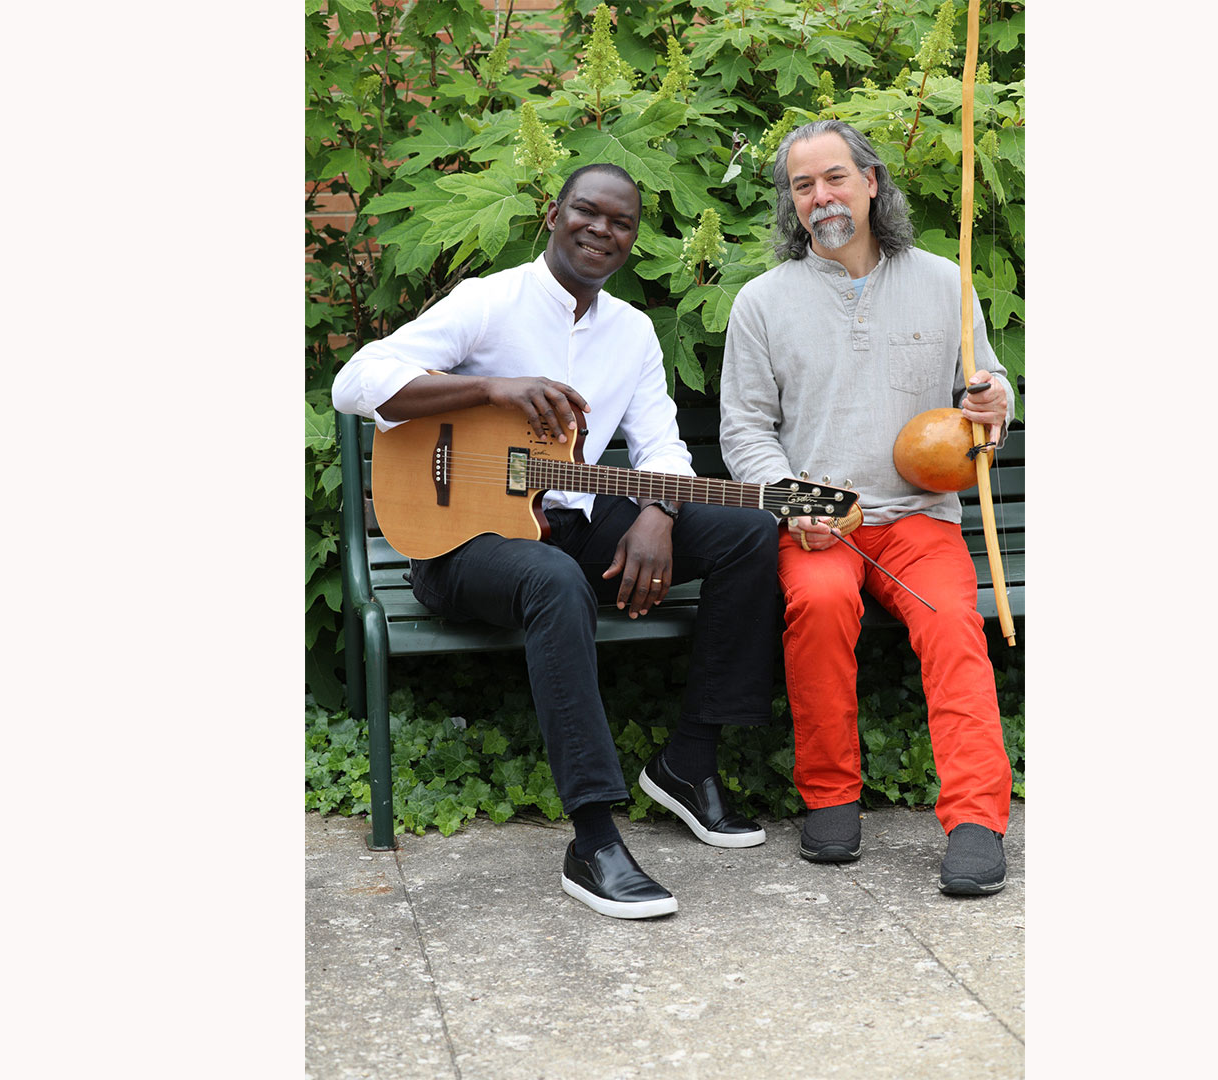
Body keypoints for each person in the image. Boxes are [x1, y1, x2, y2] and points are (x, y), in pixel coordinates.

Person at [333, 163, 782, 920]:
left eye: (620, 222)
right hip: (460, 546)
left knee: (747, 530)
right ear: (553, 213)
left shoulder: (633, 332)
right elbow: (357, 382)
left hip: (565, 520)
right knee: (552, 579)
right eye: (587, 212)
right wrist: (488, 388)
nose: (601, 230)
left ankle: (687, 761)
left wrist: (658, 512)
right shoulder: (491, 303)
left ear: (633, 239)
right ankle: (594, 836)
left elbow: (663, 448)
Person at [719, 119, 1018, 896]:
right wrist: (791, 505)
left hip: (919, 519)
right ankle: (830, 799)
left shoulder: (943, 283)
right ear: (791, 200)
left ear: (872, 181)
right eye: (803, 185)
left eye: (835, 178)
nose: (821, 197)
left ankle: (978, 822)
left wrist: (993, 400)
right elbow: (745, 428)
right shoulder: (761, 303)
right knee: (817, 610)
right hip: (821, 524)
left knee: (953, 627)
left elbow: (986, 394)